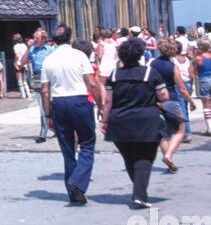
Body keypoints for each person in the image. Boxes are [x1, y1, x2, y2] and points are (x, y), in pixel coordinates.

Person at [100, 37, 170, 207]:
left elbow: (108, 101)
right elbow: (164, 96)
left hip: (120, 121)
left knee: (129, 157)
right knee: (145, 158)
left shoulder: (114, 75)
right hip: (147, 120)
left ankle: (139, 189)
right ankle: (140, 193)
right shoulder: (149, 73)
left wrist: (104, 120)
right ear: (139, 54)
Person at [40, 24, 98, 204]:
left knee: (67, 149)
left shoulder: (48, 60)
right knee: (87, 143)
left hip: (58, 103)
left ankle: (74, 193)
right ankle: (78, 182)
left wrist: (48, 115)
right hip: (78, 101)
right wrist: (101, 104)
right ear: (70, 38)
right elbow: (91, 82)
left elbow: (44, 91)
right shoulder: (79, 56)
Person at [149, 39, 193, 173]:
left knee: (162, 134)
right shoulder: (173, 67)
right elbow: (181, 88)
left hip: (156, 100)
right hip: (172, 100)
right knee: (181, 130)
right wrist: (191, 101)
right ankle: (168, 155)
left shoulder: (153, 64)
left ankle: (167, 158)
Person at [28, 28, 55, 142]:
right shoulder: (32, 49)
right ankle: (43, 132)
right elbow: (22, 62)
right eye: (34, 38)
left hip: (49, 76)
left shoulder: (50, 50)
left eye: (37, 38)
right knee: (43, 106)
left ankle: (55, 128)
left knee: (52, 104)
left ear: (43, 39)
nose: (34, 40)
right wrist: (28, 48)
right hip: (37, 77)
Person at [192, 38, 211, 135]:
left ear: (200, 47)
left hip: (204, 80)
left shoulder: (199, 58)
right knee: (210, 103)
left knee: (205, 105)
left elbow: (194, 71)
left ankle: (209, 129)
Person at [12, 33, 31, 100]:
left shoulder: (16, 46)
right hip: (24, 63)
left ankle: (23, 94)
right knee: (24, 79)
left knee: (19, 79)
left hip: (19, 62)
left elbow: (17, 55)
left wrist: (15, 62)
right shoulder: (24, 45)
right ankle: (28, 93)